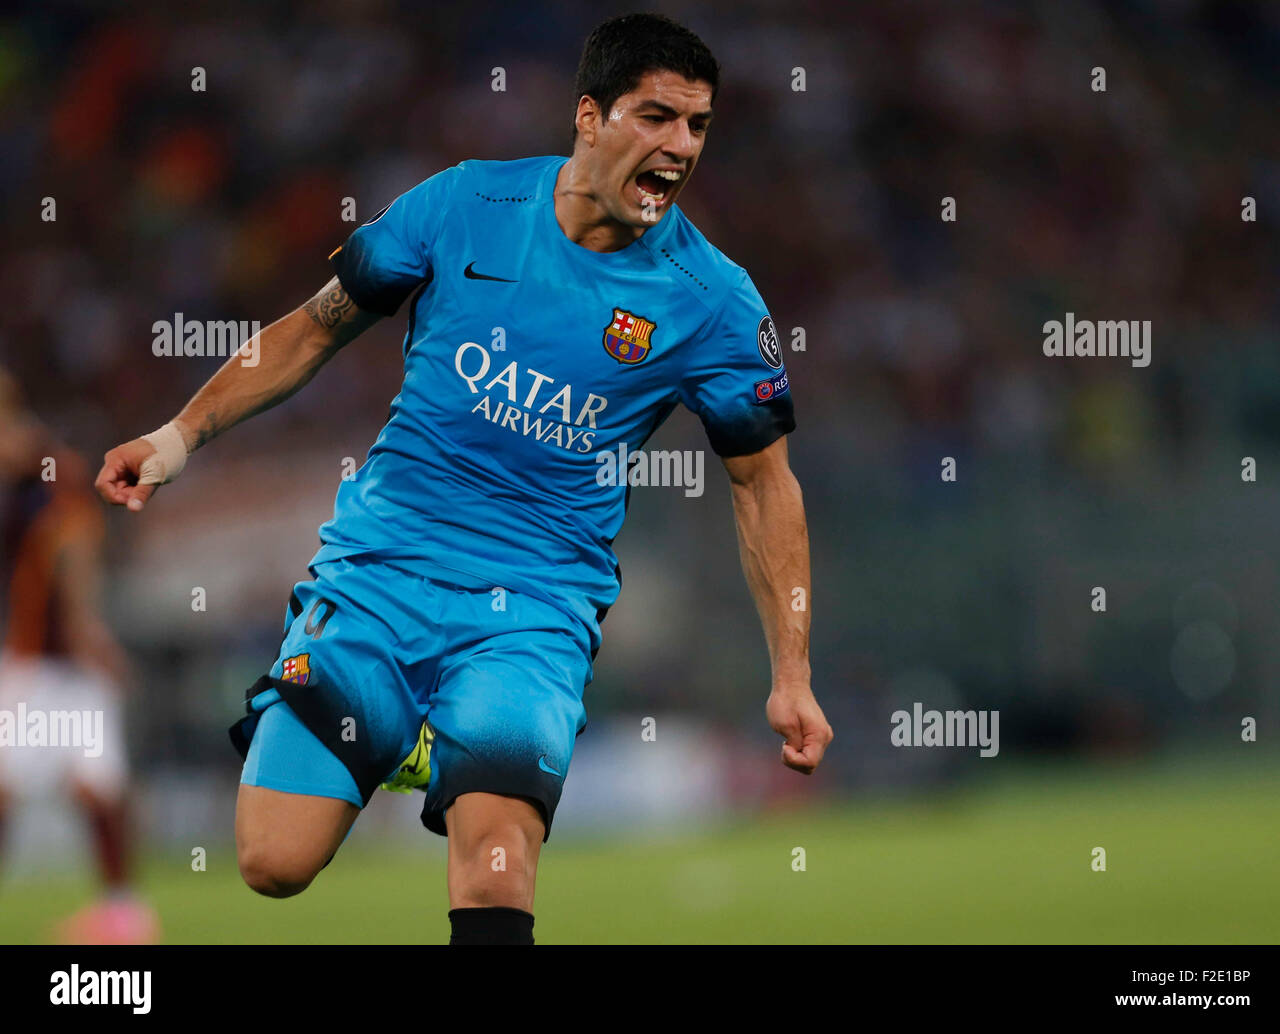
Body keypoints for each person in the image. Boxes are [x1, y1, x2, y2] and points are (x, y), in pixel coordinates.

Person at [95, 12, 831, 944]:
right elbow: (318, 326)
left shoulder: (715, 302)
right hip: (381, 570)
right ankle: (412, 739)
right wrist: (178, 434)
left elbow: (764, 485)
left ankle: (466, 730)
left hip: (532, 607)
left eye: (697, 125)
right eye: (655, 117)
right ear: (590, 117)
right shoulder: (461, 207)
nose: (679, 146)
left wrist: (792, 674)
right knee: (272, 861)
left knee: (494, 876)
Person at [0, 369, 159, 943]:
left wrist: (86, 629)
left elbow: (73, 551)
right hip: (53, 663)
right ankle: (126, 912)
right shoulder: (36, 480)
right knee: (101, 788)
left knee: (64, 788)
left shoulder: (47, 479)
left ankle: (126, 914)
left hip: (45, 662)